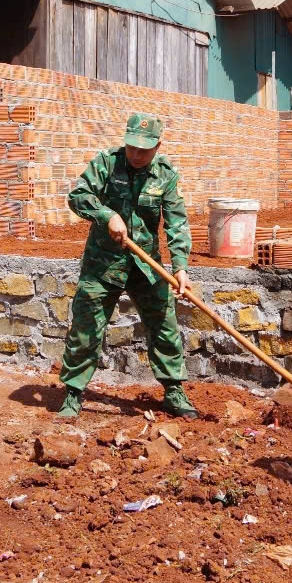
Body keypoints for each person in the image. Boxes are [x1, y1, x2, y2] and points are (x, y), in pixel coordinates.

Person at [56, 113, 197, 419]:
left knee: (164, 325)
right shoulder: (106, 163)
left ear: (158, 146)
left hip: (146, 265)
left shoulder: (166, 176)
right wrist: (106, 215)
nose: (136, 154)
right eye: (132, 147)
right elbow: (78, 196)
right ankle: (73, 392)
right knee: (86, 328)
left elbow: (176, 223)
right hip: (103, 262)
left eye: (144, 150)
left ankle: (174, 391)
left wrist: (181, 267)